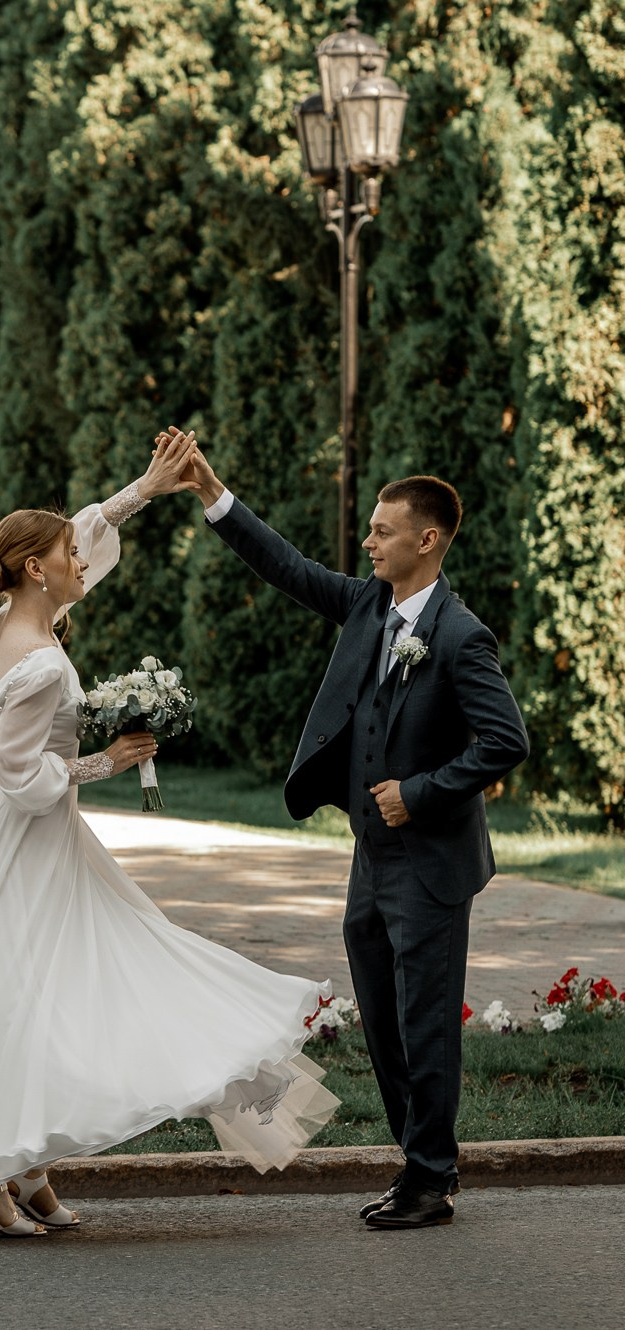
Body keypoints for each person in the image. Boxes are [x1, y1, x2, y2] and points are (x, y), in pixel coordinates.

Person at [0, 432, 339, 1237]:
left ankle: (27, 1167)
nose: (82, 561)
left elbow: (86, 532)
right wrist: (107, 761)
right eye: (65, 555)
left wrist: (147, 489)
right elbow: (18, 777)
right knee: (17, 995)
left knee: (52, 988)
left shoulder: (25, 618)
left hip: (39, 836)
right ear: (32, 570)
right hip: (21, 837)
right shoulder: (40, 660)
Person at [182, 438, 529, 1229]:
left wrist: (420, 791)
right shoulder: (372, 605)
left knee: (426, 1024)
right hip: (371, 859)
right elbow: (290, 568)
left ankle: (431, 1180)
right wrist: (213, 493)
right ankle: (419, 1162)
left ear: (427, 539)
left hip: (432, 862)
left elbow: (504, 741)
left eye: (381, 530)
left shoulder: (461, 635)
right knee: (382, 1015)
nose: (367, 541)